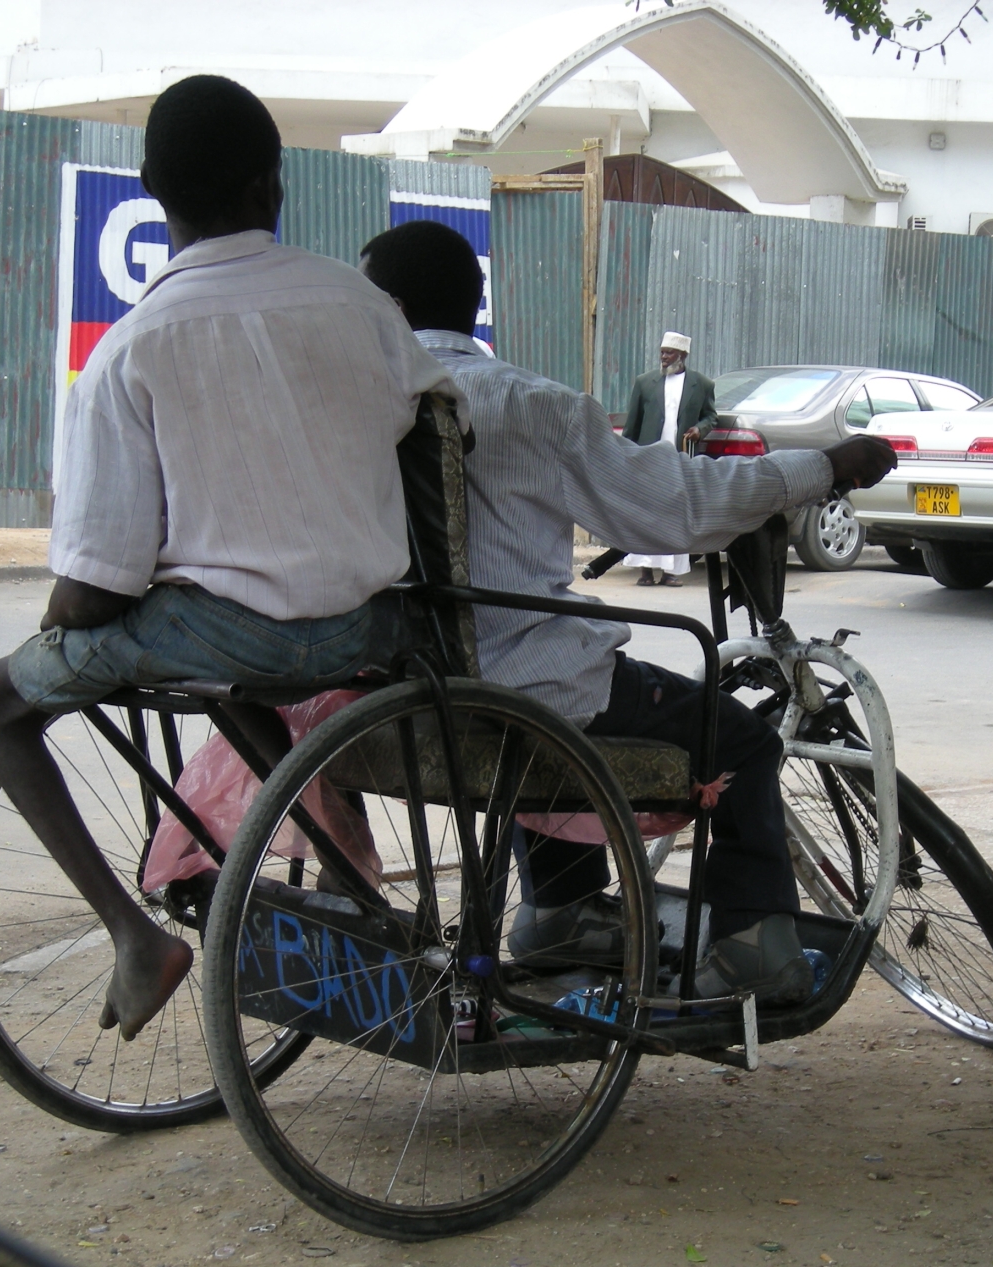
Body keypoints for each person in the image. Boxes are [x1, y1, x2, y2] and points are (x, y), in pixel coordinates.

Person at [0, 76, 457, 1042]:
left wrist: (59, 620)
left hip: (239, 632)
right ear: (275, 186)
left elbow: (100, 583)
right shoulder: (361, 305)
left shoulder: (133, 347)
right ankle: (338, 841)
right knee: (222, 643)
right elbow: (438, 429)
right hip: (370, 620)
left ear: (153, 190)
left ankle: (135, 935)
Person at [358, 220, 897, 1007]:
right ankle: (755, 949)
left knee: (555, 679)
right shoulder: (519, 403)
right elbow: (676, 506)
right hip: (515, 685)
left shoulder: (350, 407)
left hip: (400, 679)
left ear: (391, 306)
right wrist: (821, 466)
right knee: (739, 738)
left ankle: (563, 908)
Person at [618, 331, 719, 586]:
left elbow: (710, 416)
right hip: (648, 458)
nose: (663, 357)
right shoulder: (645, 382)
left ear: (682, 356)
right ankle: (646, 571)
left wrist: (700, 429)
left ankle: (671, 571)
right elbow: (632, 425)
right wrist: (627, 456)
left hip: (679, 458)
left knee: (675, 514)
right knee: (646, 512)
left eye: (669, 353)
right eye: (662, 352)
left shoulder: (702, 384)